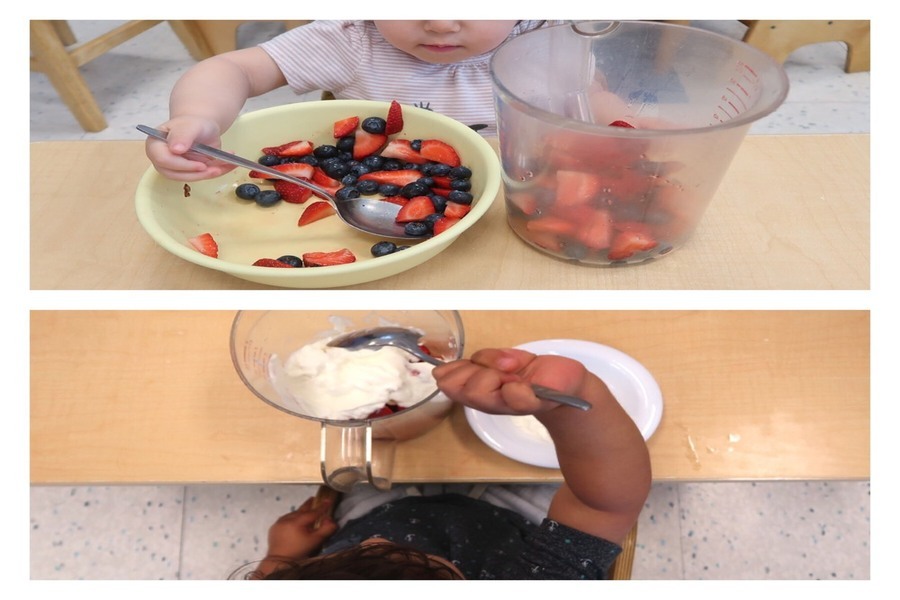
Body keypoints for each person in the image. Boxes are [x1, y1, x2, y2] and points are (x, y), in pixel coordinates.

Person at [240, 347, 652, 580]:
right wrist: (570, 403)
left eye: (358, 557)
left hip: (377, 508)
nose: (374, 541)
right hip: (507, 521)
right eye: (403, 559)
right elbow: (603, 505)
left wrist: (280, 561)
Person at [146, 20, 551, 182]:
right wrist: (196, 115)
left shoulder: (550, 39)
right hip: (370, 193)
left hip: (517, 194)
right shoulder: (351, 40)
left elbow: (593, 101)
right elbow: (235, 69)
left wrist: (613, 128)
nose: (440, 21)